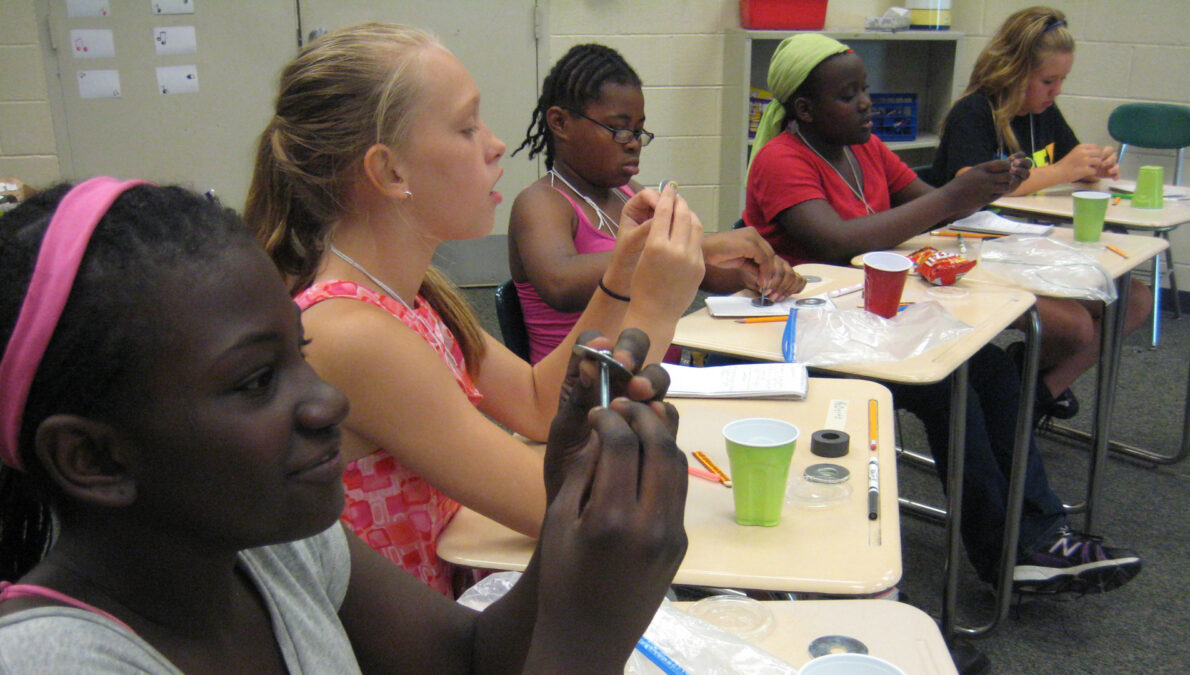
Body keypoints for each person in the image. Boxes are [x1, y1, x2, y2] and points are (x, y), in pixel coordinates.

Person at [0, 178, 688, 673]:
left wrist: (568, 508)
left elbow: (471, 657)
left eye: (298, 353)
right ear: (92, 457)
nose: (326, 402)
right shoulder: (56, 660)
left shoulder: (269, 548)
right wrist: (586, 637)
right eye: (254, 381)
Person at [244, 23, 705, 595]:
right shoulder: (349, 333)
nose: (494, 144)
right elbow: (567, 512)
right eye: (466, 128)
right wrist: (659, 307)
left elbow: (540, 404)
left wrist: (621, 279)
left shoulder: (411, 295)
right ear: (389, 171)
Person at [744, 33, 1141, 595]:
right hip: (810, 336)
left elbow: (923, 204)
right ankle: (1005, 551)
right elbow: (833, 243)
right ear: (804, 110)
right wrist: (955, 196)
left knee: (996, 371)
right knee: (950, 387)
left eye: (865, 90)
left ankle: (1039, 534)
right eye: (847, 95)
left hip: (876, 322)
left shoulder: (865, 148)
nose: (865, 104)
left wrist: (980, 188)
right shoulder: (781, 160)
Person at [508, 43, 807, 363]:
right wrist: (704, 246)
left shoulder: (626, 192)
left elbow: (699, 273)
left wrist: (752, 273)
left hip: (652, 376)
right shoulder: (541, 202)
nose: (634, 143)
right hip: (583, 393)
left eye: (638, 131)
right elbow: (561, 283)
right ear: (560, 123)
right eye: (620, 129)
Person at [930, 6, 1152, 422]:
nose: (1057, 91)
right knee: (1076, 327)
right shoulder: (975, 112)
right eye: (1048, 81)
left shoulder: (1043, 114)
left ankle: (1033, 397)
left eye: (1063, 80)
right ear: (1013, 72)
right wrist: (1063, 170)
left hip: (1029, 249)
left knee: (1135, 300)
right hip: (971, 253)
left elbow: (1068, 166)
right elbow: (970, 183)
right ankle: (1019, 395)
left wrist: (1092, 168)